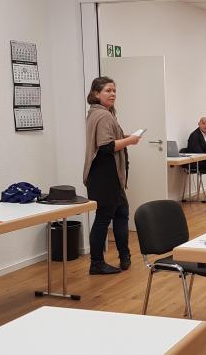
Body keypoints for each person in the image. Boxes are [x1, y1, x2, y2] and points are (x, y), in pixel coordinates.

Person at [83, 77, 141, 275]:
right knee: (104, 218)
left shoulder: (101, 113)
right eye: (108, 90)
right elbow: (106, 146)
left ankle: (124, 256)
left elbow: (110, 140)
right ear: (96, 93)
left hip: (110, 176)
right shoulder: (103, 115)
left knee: (121, 214)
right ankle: (97, 263)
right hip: (105, 176)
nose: (113, 94)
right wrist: (130, 141)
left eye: (114, 90)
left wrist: (127, 138)